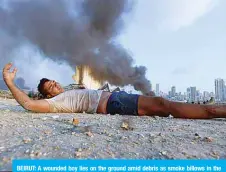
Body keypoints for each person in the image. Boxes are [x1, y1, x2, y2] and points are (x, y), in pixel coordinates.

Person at [2, 63, 226, 119]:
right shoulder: (54, 103)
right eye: (51, 87)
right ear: (47, 95)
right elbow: (30, 105)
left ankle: (210, 110)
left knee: (162, 106)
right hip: (113, 103)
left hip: (115, 99)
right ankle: (213, 111)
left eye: (53, 81)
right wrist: (11, 83)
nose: (55, 85)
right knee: (163, 104)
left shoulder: (67, 91)